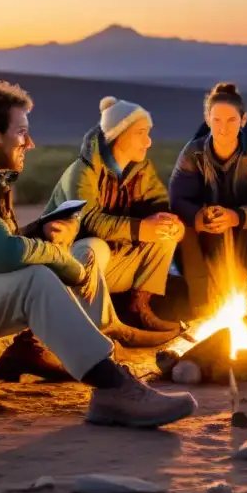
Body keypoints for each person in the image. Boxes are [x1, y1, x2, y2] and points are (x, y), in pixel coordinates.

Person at [0, 79, 196, 427]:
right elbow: (5, 254)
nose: (30, 143)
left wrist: (42, 234)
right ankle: (112, 388)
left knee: (39, 272)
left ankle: (19, 356)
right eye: (21, 132)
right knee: (35, 280)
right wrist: (64, 261)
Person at [45, 96, 184, 336]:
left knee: (163, 233)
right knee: (94, 246)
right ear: (118, 134)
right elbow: (90, 220)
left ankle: (137, 309)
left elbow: (159, 206)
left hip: (115, 267)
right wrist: (140, 228)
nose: (148, 141)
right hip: (71, 267)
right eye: (141, 133)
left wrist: (171, 225)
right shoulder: (82, 172)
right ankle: (91, 324)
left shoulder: (141, 171)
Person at [169, 83, 247, 318]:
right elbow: (178, 197)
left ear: (243, 120)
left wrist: (236, 216)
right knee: (182, 223)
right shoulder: (193, 153)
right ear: (207, 119)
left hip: (246, 228)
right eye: (217, 120)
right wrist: (200, 216)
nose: (223, 129)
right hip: (207, 227)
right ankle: (201, 305)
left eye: (230, 120)